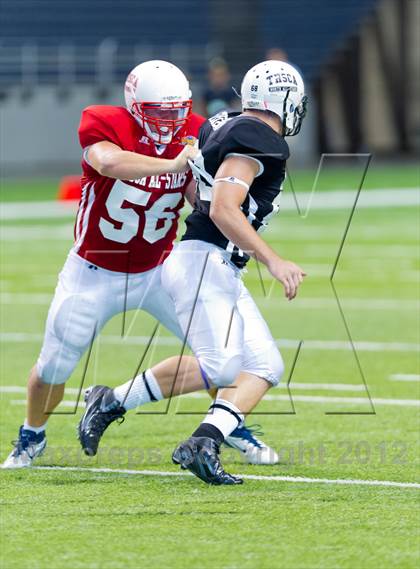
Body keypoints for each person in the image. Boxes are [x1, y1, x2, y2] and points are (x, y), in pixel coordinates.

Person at [2, 60, 277, 469]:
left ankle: (227, 426)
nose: (170, 122)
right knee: (53, 366)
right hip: (94, 270)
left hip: (159, 269)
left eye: (176, 111)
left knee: (220, 352)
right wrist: (173, 164)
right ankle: (32, 434)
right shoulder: (106, 124)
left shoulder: (196, 129)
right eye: (159, 112)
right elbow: (109, 163)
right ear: (135, 106)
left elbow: (194, 195)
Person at [160, 59, 308, 485]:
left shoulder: (222, 123)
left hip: (211, 260)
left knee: (264, 365)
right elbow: (224, 207)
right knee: (224, 367)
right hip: (205, 260)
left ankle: (203, 442)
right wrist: (273, 260)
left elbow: (197, 192)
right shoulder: (258, 138)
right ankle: (111, 402)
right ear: (285, 101)